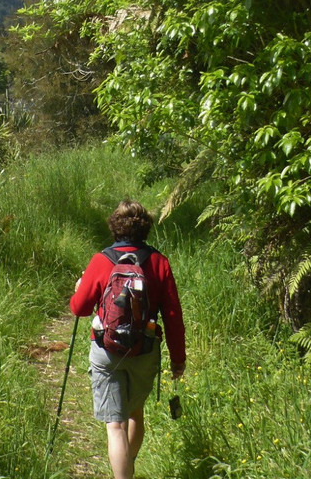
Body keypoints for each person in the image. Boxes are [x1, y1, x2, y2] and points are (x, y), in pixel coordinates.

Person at [70, 199, 186, 479]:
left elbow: (79, 308)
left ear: (115, 227)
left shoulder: (102, 260)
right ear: (145, 228)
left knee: (115, 426)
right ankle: (128, 466)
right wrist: (178, 360)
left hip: (106, 351)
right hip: (145, 349)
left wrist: (78, 288)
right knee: (135, 414)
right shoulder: (158, 262)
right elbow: (172, 316)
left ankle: (123, 472)